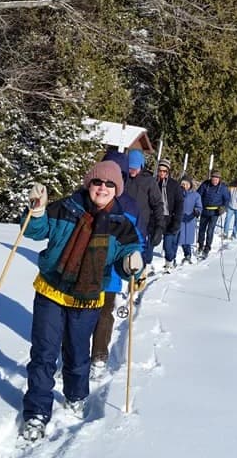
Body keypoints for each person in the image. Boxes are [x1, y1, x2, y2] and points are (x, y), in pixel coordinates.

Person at [19, 161, 143, 442]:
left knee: (76, 354)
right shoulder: (66, 207)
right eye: (98, 182)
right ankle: (37, 412)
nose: (102, 188)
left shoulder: (120, 223)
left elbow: (131, 252)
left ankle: (76, 395)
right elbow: (34, 231)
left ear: (117, 190)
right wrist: (37, 211)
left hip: (87, 299)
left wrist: (132, 261)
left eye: (109, 184)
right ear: (89, 184)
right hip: (51, 290)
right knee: (43, 354)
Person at [90, 149, 144, 380]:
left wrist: (135, 259)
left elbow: (135, 239)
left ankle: (99, 356)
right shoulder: (89, 197)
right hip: (83, 269)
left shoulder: (129, 205)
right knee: (82, 314)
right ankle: (80, 355)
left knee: (103, 312)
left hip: (110, 271)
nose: (105, 183)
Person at [123, 149, 163, 275]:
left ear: (141, 165)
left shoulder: (149, 181)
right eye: (130, 167)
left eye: (135, 167)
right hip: (123, 225)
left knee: (138, 258)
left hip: (141, 226)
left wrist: (159, 227)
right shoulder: (124, 178)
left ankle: (138, 279)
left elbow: (157, 205)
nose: (132, 170)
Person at [153, 158, 183, 271]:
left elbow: (180, 203)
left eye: (164, 171)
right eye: (160, 170)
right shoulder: (154, 183)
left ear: (168, 172)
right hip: (157, 217)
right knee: (153, 241)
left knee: (167, 244)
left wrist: (177, 219)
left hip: (170, 218)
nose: (162, 173)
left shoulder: (174, 185)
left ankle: (169, 261)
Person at [195, 170, 230, 258]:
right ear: (211, 178)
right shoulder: (205, 185)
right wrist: (196, 206)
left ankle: (207, 247)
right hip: (204, 210)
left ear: (219, 179)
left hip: (215, 212)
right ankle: (200, 246)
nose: (215, 180)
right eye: (213, 178)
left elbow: (227, 200)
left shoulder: (223, 188)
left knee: (210, 230)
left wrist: (223, 207)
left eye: (216, 179)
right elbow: (198, 195)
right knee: (201, 230)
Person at [178, 177, 203, 263]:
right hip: (178, 219)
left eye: (186, 184)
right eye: (182, 184)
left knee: (186, 239)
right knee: (177, 238)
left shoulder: (195, 195)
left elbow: (199, 206)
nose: (184, 186)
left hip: (189, 219)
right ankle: (171, 258)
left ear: (190, 185)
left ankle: (187, 255)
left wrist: (196, 211)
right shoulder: (177, 193)